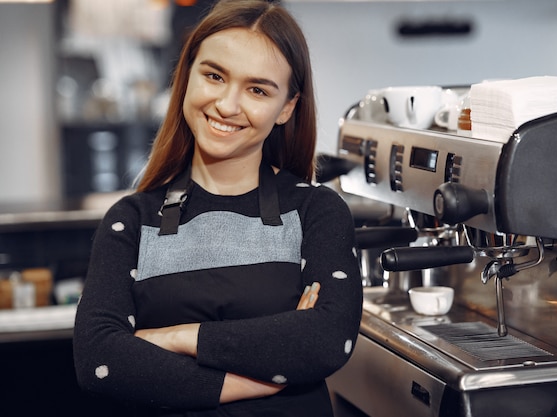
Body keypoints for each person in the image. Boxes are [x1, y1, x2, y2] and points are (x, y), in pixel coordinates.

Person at [72, 0, 363, 416]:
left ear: (286, 108)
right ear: (187, 77)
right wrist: (250, 376)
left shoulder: (317, 211)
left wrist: (172, 338)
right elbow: (99, 360)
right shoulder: (131, 220)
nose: (227, 105)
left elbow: (326, 341)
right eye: (214, 76)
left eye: (257, 89)